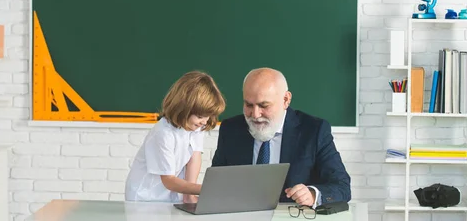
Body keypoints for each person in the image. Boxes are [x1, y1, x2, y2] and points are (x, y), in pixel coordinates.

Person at [211, 67, 350, 208]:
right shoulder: (230, 129)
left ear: (285, 100)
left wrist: (312, 194)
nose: (255, 114)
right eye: (248, 105)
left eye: (263, 105)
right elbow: (215, 185)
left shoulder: (314, 130)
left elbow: (342, 186)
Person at [125, 71, 226, 203]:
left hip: (169, 194)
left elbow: (194, 157)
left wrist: (189, 196)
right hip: (144, 197)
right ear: (183, 109)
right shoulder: (163, 133)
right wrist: (205, 189)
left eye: (208, 116)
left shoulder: (195, 126)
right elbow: (169, 180)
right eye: (200, 116)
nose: (204, 122)